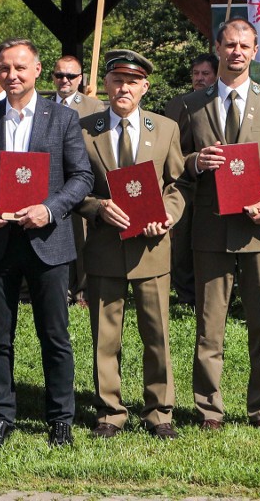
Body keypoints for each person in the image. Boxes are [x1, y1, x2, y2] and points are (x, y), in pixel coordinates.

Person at [0, 38, 94, 448]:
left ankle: (60, 418)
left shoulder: (63, 119)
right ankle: (0, 417)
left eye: (19, 68)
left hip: (47, 240)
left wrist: (50, 210)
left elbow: (81, 177)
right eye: (4, 68)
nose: (11, 75)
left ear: (37, 71)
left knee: (54, 335)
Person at [179, 18, 260, 431]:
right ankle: (209, 409)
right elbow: (174, 165)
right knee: (209, 327)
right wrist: (196, 162)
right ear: (217, 46)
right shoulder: (192, 105)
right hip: (210, 231)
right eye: (230, 45)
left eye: (245, 46)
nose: (237, 52)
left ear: (255, 50)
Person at [77, 49, 187, 440]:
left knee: (156, 333)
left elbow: (176, 185)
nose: (123, 87)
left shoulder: (166, 129)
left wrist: (170, 213)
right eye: (116, 80)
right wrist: (96, 207)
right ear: (105, 85)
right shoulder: (84, 129)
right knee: (106, 336)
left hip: (152, 247)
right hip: (106, 246)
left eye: (131, 81)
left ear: (145, 86)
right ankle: (109, 412)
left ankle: (159, 412)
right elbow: (74, 187)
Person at [164, 52, 218, 306]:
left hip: (216, 183)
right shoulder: (177, 104)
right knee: (182, 240)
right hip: (183, 179)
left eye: (205, 74)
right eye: (196, 74)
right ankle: (186, 295)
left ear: (216, 76)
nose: (200, 79)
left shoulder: (220, 103)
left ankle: (213, 294)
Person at [52, 55, 105, 306]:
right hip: (53, 181)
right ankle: (61, 288)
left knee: (81, 236)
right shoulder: (43, 104)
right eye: (60, 75)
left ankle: (83, 290)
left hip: (81, 179)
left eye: (71, 76)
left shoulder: (94, 107)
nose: (65, 80)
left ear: (80, 78)